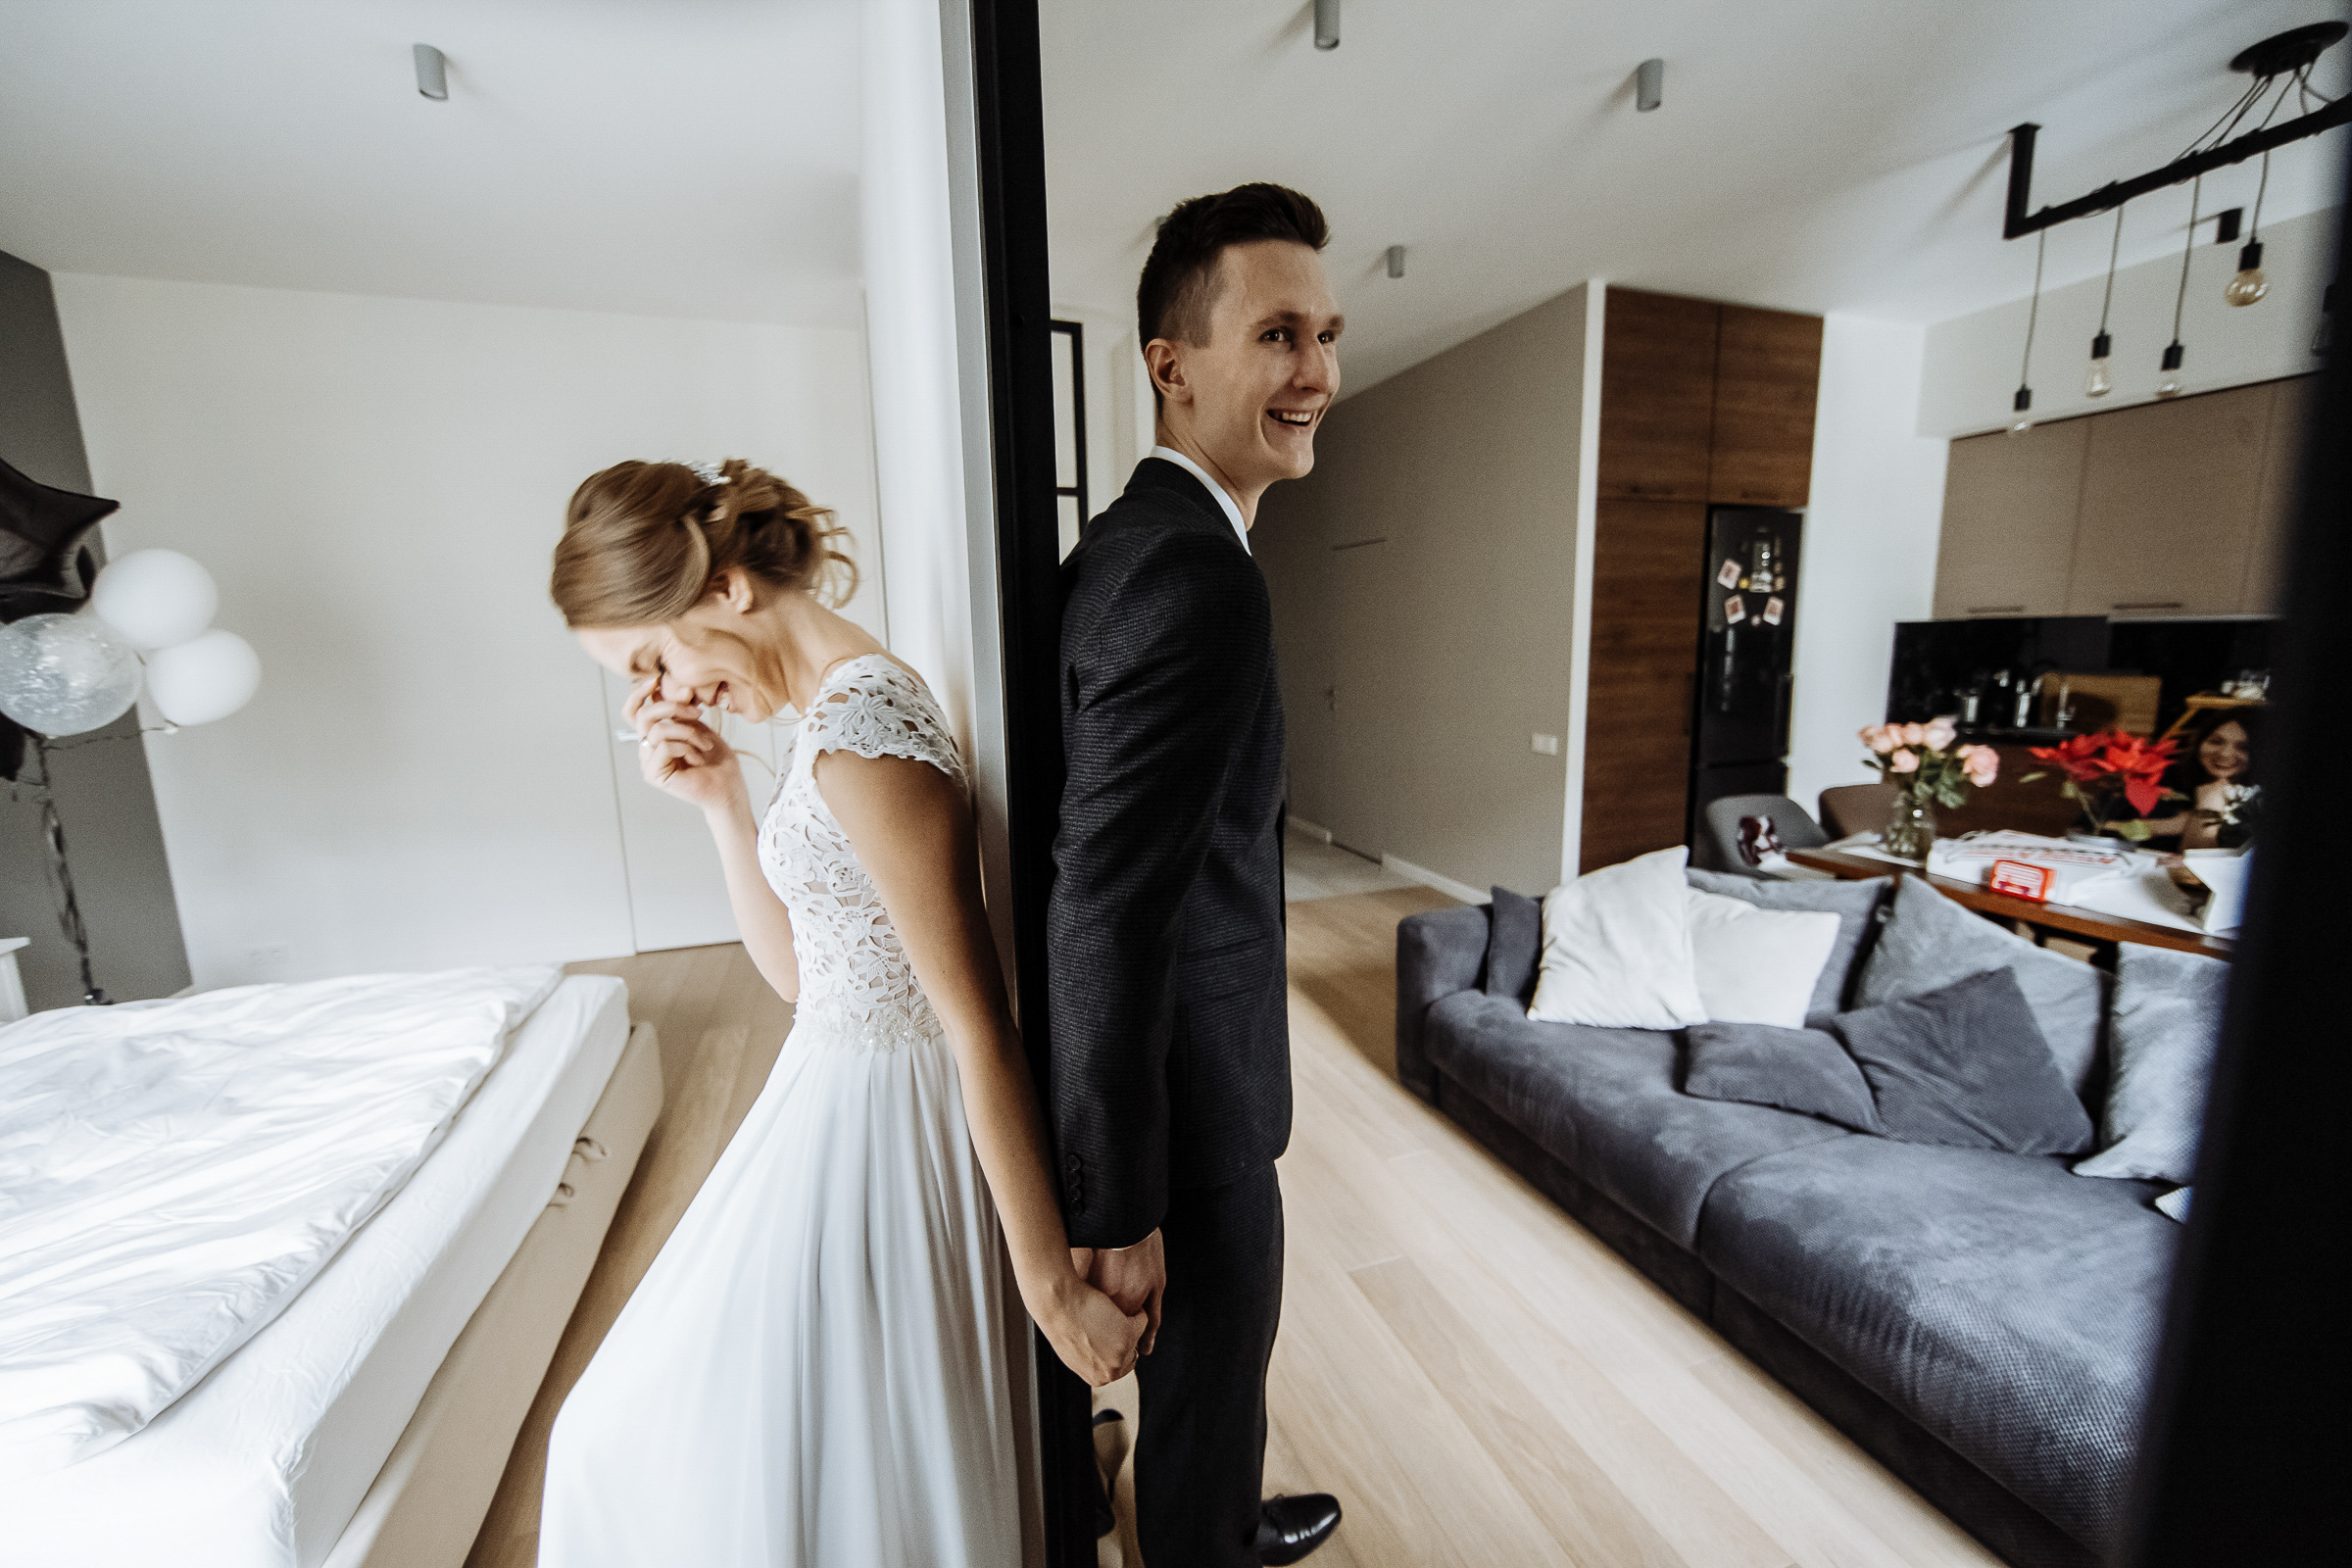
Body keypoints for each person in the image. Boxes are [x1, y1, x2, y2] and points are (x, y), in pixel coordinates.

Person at [537, 459, 1144, 1567]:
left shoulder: (865, 734)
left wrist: (1052, 1286)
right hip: (824, 1092)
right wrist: (721, 799)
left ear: (727, 588)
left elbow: (977, 1022)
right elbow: (803, 976)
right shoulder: (829, 714)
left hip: (889, 1130)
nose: (660, 701)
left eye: (654, 662)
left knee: (661, 1436)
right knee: (672, 1437)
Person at [1050, 183, 1345, 1568]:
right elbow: (1106, 904)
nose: (1317, 373)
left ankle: (1211, 1514)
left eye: (1326, 336)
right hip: (1189, 1110)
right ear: (1172, 366)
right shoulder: (1193, 577)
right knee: (1210, 1386)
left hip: (1175, 1092)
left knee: (1212, 1401)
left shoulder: (1133, 545)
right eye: (1279, 335)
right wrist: (1122, 1202)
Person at [2143, 708, 2261, 850]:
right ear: (2200, 742)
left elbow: (2196, 856)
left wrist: (2212, 798)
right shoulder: (2169, 777)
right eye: (2216, 742)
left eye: (2244, 748)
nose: (2225, 753)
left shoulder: (2263, 800)